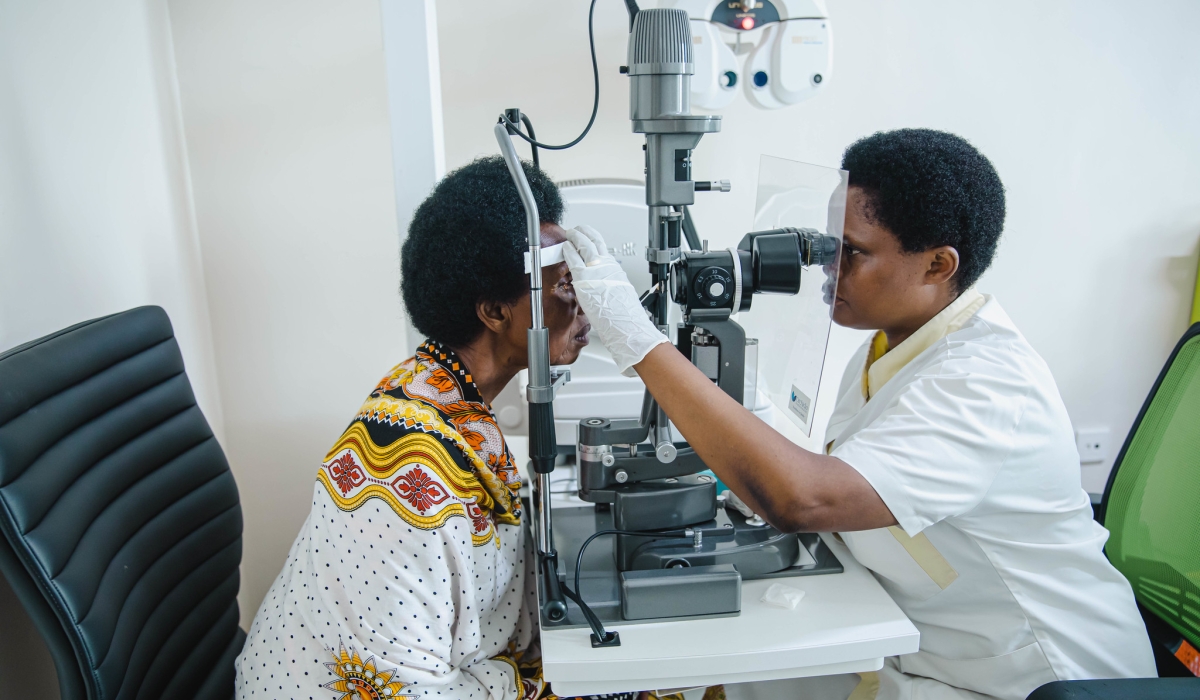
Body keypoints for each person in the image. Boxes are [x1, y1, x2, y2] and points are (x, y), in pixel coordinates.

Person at [563, 129, 1156, 700]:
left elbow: (804, 499)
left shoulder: (984, 383)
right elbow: (838, 474)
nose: (828, 266)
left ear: (937, 265)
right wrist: (748, 423)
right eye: (828, 243)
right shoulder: (892, 345)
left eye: (852, 252)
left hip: (1035, 680)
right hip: (923, 648)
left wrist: (640, 343)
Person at [235, 156, 593, 699]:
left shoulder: (437, 391)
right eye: (564, 285)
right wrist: (524, 682)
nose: (583, 301)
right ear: (496, 312)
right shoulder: (404, 481)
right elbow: (406, 689)